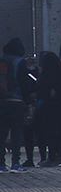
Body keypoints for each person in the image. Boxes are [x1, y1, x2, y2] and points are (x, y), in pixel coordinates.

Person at [36, 51, 61, 167]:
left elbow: (42, 91)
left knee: (49, 132)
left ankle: (52, 157)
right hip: (60, 108)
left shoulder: (47, 76)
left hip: (49, 109)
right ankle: (59, 154)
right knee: (57, 132)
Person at [1, 38, 28, 172]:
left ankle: (1, 163)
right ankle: (15, 163)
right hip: (17, 101)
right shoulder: (20, 62)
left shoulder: (2, 61)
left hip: (2, 102)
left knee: (2, 133)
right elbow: (24, 83)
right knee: (17, 133)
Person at [17, 56, 45, 167]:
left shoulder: (23, 73)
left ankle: (34, 158)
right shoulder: (38, 73)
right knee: (35, 134)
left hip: (30, 104)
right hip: (33, 105)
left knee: (32, 133)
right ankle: (38, 158)